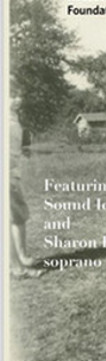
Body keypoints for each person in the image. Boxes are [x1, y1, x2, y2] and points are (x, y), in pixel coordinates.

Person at [10, 96, 41, 278]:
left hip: (12, 171)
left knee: (18, 214)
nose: (18, 99)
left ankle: (21, 257)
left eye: (19, 95)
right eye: (12, 95)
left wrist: (21, 151)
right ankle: (16, 268)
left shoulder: (12, 116)